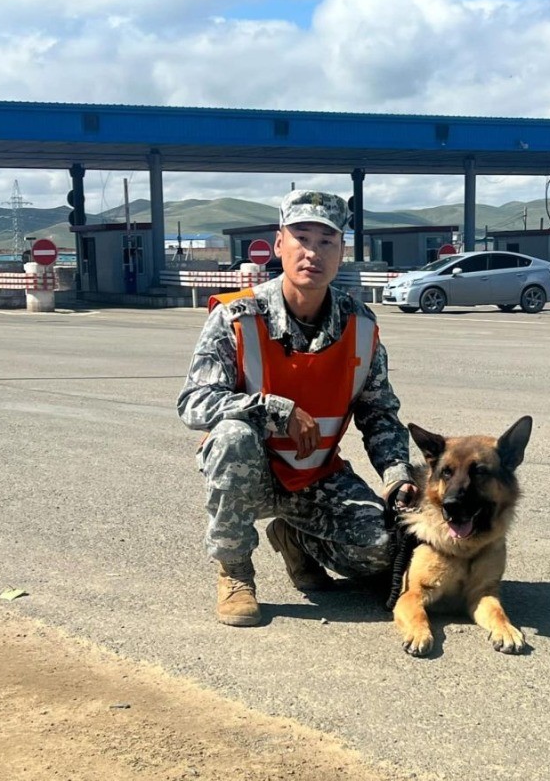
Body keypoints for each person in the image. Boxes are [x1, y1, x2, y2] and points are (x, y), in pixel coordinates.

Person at [177, 189, 417, 627]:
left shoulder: (360, 325)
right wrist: (275, 410)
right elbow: (195, 403)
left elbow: (379, 413)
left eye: (326, 241)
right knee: (232, 436)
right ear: (279, 244)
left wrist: (396, 475)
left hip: (316, 475)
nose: (313, 253)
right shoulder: (238, 317)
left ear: (342, 251)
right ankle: (235, 572)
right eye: (301, 238)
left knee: (383, 548)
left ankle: (295, 539)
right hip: (252, 474)